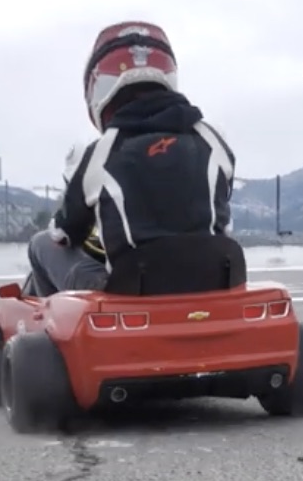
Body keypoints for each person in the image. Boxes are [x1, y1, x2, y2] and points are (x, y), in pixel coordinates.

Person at [27, 20, 236, 295]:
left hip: (133, 292)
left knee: (41, 243)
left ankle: (46, 327)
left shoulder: (99, 153)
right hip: (214, 283)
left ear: (98, 87)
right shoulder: (214, 141)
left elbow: (64, 235)